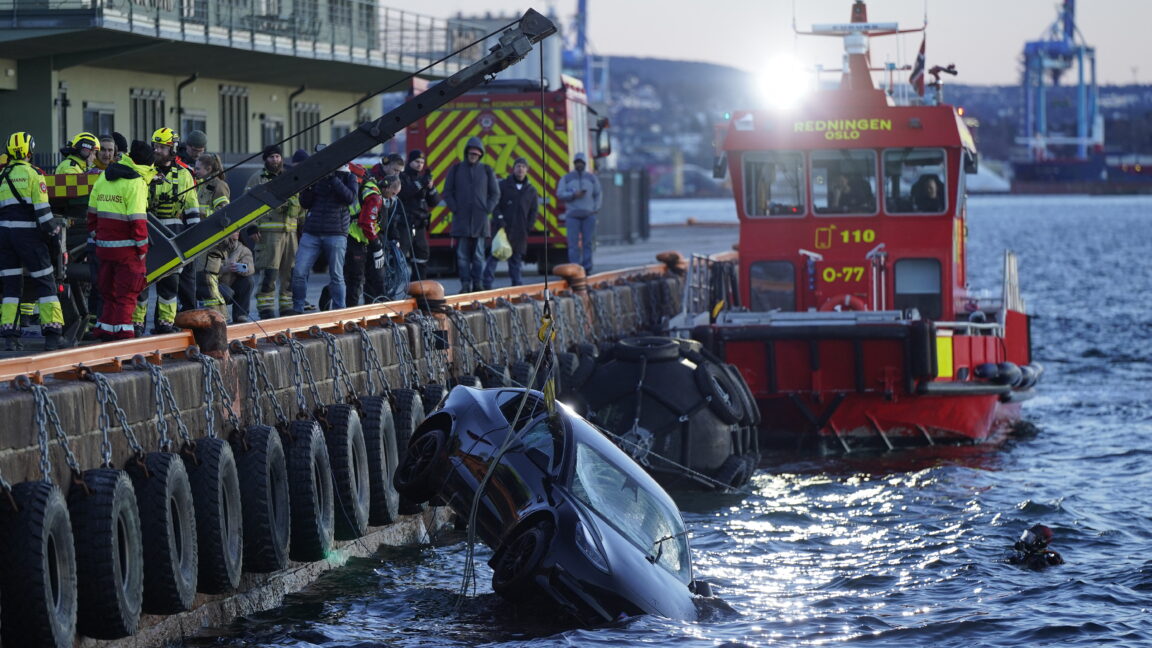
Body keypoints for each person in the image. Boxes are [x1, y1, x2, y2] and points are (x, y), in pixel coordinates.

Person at [0, 132, 65, 350]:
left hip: (5, 239)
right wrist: (54, 235)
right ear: (30, 152)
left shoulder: (2, 176)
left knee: (10, 288)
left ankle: (10, 337)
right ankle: (53, 334)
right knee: (45, 282)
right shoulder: (34, 175)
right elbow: (44, 214)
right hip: (29, 237)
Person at [133, 127, 199, 334]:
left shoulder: (185, 175)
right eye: (156, 146)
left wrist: (195, 235)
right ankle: (137, 324)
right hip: (148, 232)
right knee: (142, 283)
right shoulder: (143, 172)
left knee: (170, 284)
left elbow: (192, 207)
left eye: (162, 147)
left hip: (175, 234)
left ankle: (165, 324)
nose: (158, 150)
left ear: (173, 149)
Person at [87, 141, 154, 340]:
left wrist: (95, 235)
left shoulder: (104, 177)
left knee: (107, 292)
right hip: (128, 250)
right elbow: (138, 220)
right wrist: (142, 248)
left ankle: (105, 329)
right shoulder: (137, 182)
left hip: (104, 247)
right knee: (127, 293)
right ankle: (124, 335)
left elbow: (92, 211)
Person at [290, 163, 357, 313]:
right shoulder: (318, 176)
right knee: (299, 272)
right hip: (312, 231)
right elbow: (305, 203)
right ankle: (297, 309)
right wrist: (308, 186)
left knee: (337, 275)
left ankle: (339, 312)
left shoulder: (349, 177)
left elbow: (349, 198)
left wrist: (333, 179)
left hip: (336, 232)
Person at [248, 144, 304, 319]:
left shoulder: (289, 177)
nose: (275, 160)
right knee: (269, 273)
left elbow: (301, 204)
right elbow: (246, 205)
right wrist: (251, 227)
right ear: (265, 159)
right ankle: (266, 308)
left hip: (290, 233)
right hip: (268, 235)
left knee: (290, 273)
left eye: (277, 157)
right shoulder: (257, 178)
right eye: (271, 157)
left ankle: (286, 306)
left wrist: (303, 225)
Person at [442, 136, 499, 293]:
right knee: (462, 256)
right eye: (471, 153)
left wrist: (487, 208)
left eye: (476, 153)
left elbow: (495, 193)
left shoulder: (487, 170)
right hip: (461, 220)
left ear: (480, 155)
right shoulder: (456, 169)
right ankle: (465, 284)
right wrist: (455, 208)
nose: (473, 155)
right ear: (466, 153)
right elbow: (447, 192)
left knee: (479, 255)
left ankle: (477, 284)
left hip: (480, 221)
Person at [483, 157, 538, 289]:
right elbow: (495, 205)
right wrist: (499, 219)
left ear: (527, 170)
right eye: (518, 166)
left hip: (520, 230)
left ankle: (517, 287)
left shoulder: (531, 190)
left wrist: (528, 226)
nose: (520, 169)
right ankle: (486, 284)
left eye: (523, 167)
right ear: (513, 168)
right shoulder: (503, 185)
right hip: (502, 229)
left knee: (516, 260)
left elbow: (533, 210)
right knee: (495, 256)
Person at [193, 153, 231, 314]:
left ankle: (220, 318)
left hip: (213, 242)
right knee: (203, 281)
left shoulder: (219, 186)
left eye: (198, 168)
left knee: (208, 281)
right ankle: (215, 317)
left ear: (209, 169)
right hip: (203, 241)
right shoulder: (202, 185)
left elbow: (223, 215)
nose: (195, 171)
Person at [343, 168, 383, 306]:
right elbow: (367, 222)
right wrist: (376, 245)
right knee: (356, 280)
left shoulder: (360, 188)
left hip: (356, 236)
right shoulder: (374, 196)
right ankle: (352, 314)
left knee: (362, 279)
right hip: (356, 237)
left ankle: (366, 311)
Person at [557, 151, 602, 274]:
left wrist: (595, 208)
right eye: (577, 162)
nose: (579, 164)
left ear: (585, 164)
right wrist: (573, 195)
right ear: (574, 163)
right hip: (572, 215)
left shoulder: (592, 178)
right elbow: (560, 193)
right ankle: (574, 267)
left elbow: (598, 194)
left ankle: (587, 267)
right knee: (573, 244)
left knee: (587, 243)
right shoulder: (567, 178)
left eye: (581, 162)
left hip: (588, 215)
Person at [398, 149, 439, 281]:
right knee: (400, 256)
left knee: (422, 255)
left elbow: (434, 201)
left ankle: (418, 288)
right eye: (417, 161)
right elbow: (404, 193)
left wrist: (431, 187)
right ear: (409, 161)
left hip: (420, 224)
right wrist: (421, 183)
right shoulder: (402, 177)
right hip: (404, 224)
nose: (419, 164)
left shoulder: (423, 179)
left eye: (422, 162)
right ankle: (393, 288)